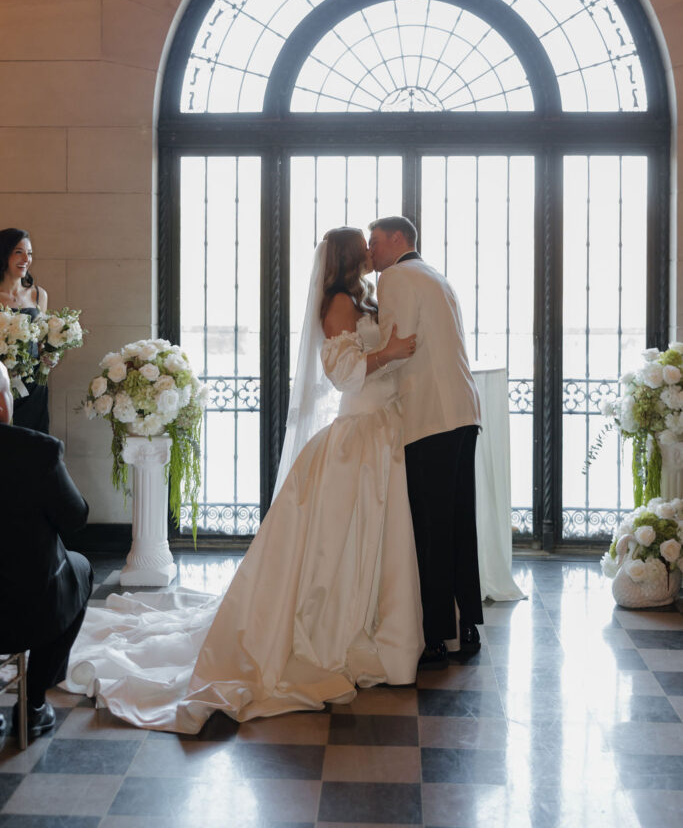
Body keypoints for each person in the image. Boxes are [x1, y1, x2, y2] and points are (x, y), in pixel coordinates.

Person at [64, 227, 423, 731]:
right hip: (357, 436)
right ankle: (337, 633)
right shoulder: (339, 302)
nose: (369, 249)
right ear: (345, 257)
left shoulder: (363, 299)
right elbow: (344, 374)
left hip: (381, 430)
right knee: (337, 544)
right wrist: (392, 352)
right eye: (361, 244)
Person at [368, 215, 483, 664]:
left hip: (428, 417)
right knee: (458, 522)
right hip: (462, 410)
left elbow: (400, 348)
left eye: (375, 242)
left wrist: (364, 367)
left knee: (431, 528)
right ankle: (467, 623)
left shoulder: (395, 276)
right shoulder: (436, 276)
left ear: (398, 239)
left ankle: (437, 632)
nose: (370, 253)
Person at [0, 360, 93, 740]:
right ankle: (34, 702)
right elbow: (75, 518)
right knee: (81, 568)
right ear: (3, 403)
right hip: (26, 613)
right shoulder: (38, 452)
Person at [0, 227, 50, 432]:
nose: (26, 259)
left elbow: (41, 340)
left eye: (29, 253)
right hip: (1, 382)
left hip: (33, 385)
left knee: (34, 441)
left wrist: (49, 355)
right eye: (18, 252)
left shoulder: (39, 295)